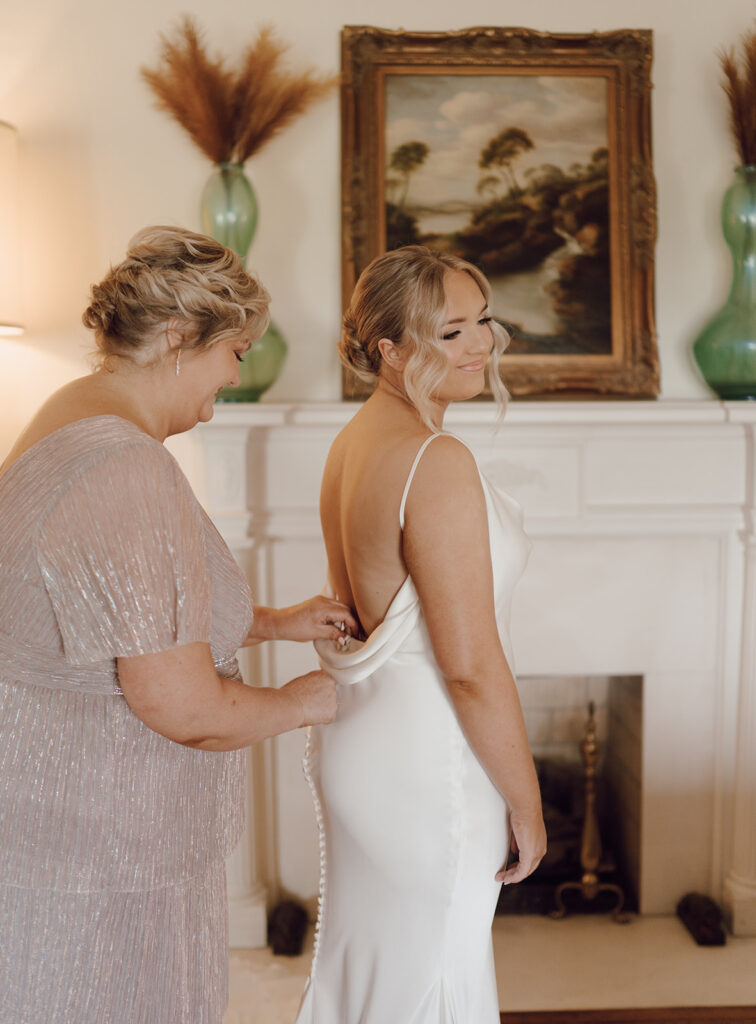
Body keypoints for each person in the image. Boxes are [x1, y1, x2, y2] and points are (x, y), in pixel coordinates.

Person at [0, 226, 357, 1024]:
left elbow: (109, 612)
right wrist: (314, 701)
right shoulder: (125, 465)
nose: (237, 375)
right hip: (104, 861)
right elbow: (185, 710)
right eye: (234, 351)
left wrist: (271, 622)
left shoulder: (66, 415)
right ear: (175, 338)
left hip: (53, 832)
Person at [295, 246, 547, 1024]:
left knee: (373, 976)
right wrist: (529, 801)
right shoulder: (435, 460)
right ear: (391, 349)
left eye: (484, 322)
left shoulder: (352, 445)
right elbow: (468, 667)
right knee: (436, 979)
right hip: (430, 763)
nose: (482, 345)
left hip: (361, 743)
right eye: (451, 333)